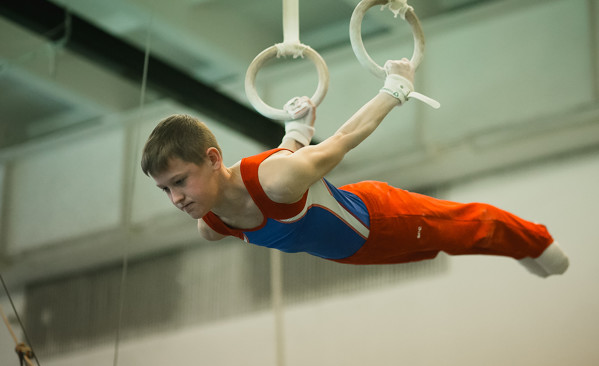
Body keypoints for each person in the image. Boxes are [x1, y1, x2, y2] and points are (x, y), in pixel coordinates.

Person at [141, 58, 569, 278]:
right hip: (355, 254)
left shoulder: (277, 179)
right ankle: (524, 248)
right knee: (443, 247)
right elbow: (285, 160)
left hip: (379, 219)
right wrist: (296, 131)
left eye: (180, 181)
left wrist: (394, 89)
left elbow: (343, 139)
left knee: (467, 228)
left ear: (213, 159)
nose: (176, 198)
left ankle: (537, 242)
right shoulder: (212, 226)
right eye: (165, 189)